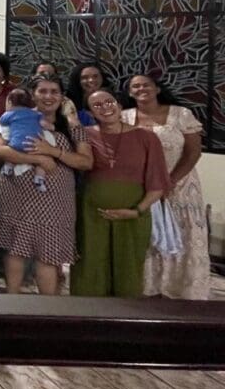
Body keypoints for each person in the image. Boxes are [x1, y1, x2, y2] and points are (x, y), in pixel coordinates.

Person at [0, 74, 92, 295]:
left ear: (62, 96)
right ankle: (11, 302)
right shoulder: (16, 116)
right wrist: (39, 160)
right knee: (15, 249)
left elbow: (85, 162)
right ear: (32, 95)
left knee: (48, 254)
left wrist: (52, 151)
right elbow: (0, 150)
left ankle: (47, 308)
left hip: (54, 200)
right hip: (16, 193)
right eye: (42, 91)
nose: (48, 96)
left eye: (54, 91)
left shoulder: (71, 125)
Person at [72, 90, 169, 297]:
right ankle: (86, 313)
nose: (105, 107)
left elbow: (157, 183)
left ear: (119, 105)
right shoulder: (84, 135)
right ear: (90, 112)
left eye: (109, 101)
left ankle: (126, 315)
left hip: (133, 215)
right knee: (89, 267)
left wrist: (137, 211)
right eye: (97, 105)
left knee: (128, 270)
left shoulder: (147, 137)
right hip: (91, 215)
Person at [122, 74, 210, 300]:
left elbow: (193, 152)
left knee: (183, 233)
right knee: (148, 235)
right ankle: (149, 287)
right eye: (135, 86)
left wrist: (170, 181)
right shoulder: (124, 116)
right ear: (130, 92)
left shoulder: (181, 114)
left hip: (180, 184)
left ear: (157, 89)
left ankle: (182, 289)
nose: (141, 89)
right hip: (141, 186)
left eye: (146, 85)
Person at [0, 88, 54, 189]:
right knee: (41, 162)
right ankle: (39, 178)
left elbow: (2, 121)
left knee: (12, 155)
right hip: (34, 145)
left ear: (10, 102)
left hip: (16, 144)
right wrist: (52, 127)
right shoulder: (36, 114)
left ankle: (8, 167)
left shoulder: (9, 115)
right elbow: (44, 124)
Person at [67, 62, 109, 127]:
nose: (91, 80)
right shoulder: (69, 103)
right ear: (77, 80)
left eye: (95, 76)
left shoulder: (112, 98)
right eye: (85, 77)